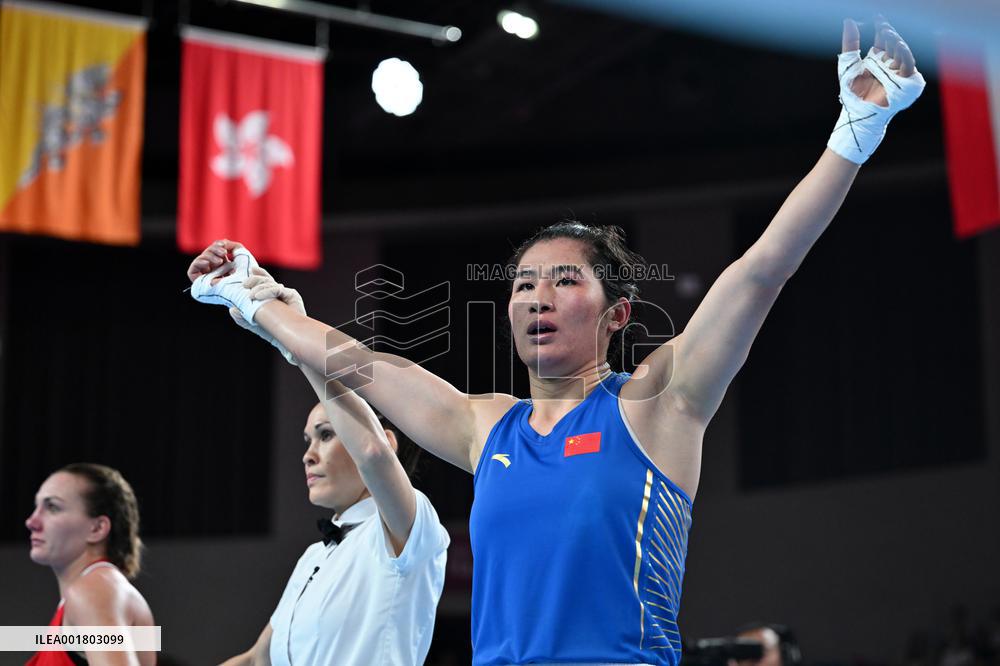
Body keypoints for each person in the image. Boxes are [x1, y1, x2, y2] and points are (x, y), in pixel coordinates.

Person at [188, 17, 924, 666]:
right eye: (523, 285)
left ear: (617, 316)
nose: (537, 296)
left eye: (565, 281)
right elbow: (358, 364)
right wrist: (256, 299)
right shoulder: (485, 426)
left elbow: (760, 273)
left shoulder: (655, 407)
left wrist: (853, 133)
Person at [202, 275, 450, 666]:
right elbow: (255, 661)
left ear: (389, 441)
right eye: (307, 440)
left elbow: (370, 451)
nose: (308, 455)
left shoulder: (411, 528)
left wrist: (295, 341)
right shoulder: (313, 557)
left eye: (326, 435)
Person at [25, 463, 155, 666]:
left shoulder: (95, 590)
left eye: (52, 507)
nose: (31, 521)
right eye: (37, 506)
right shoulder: (96, 590)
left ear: (97, 528)